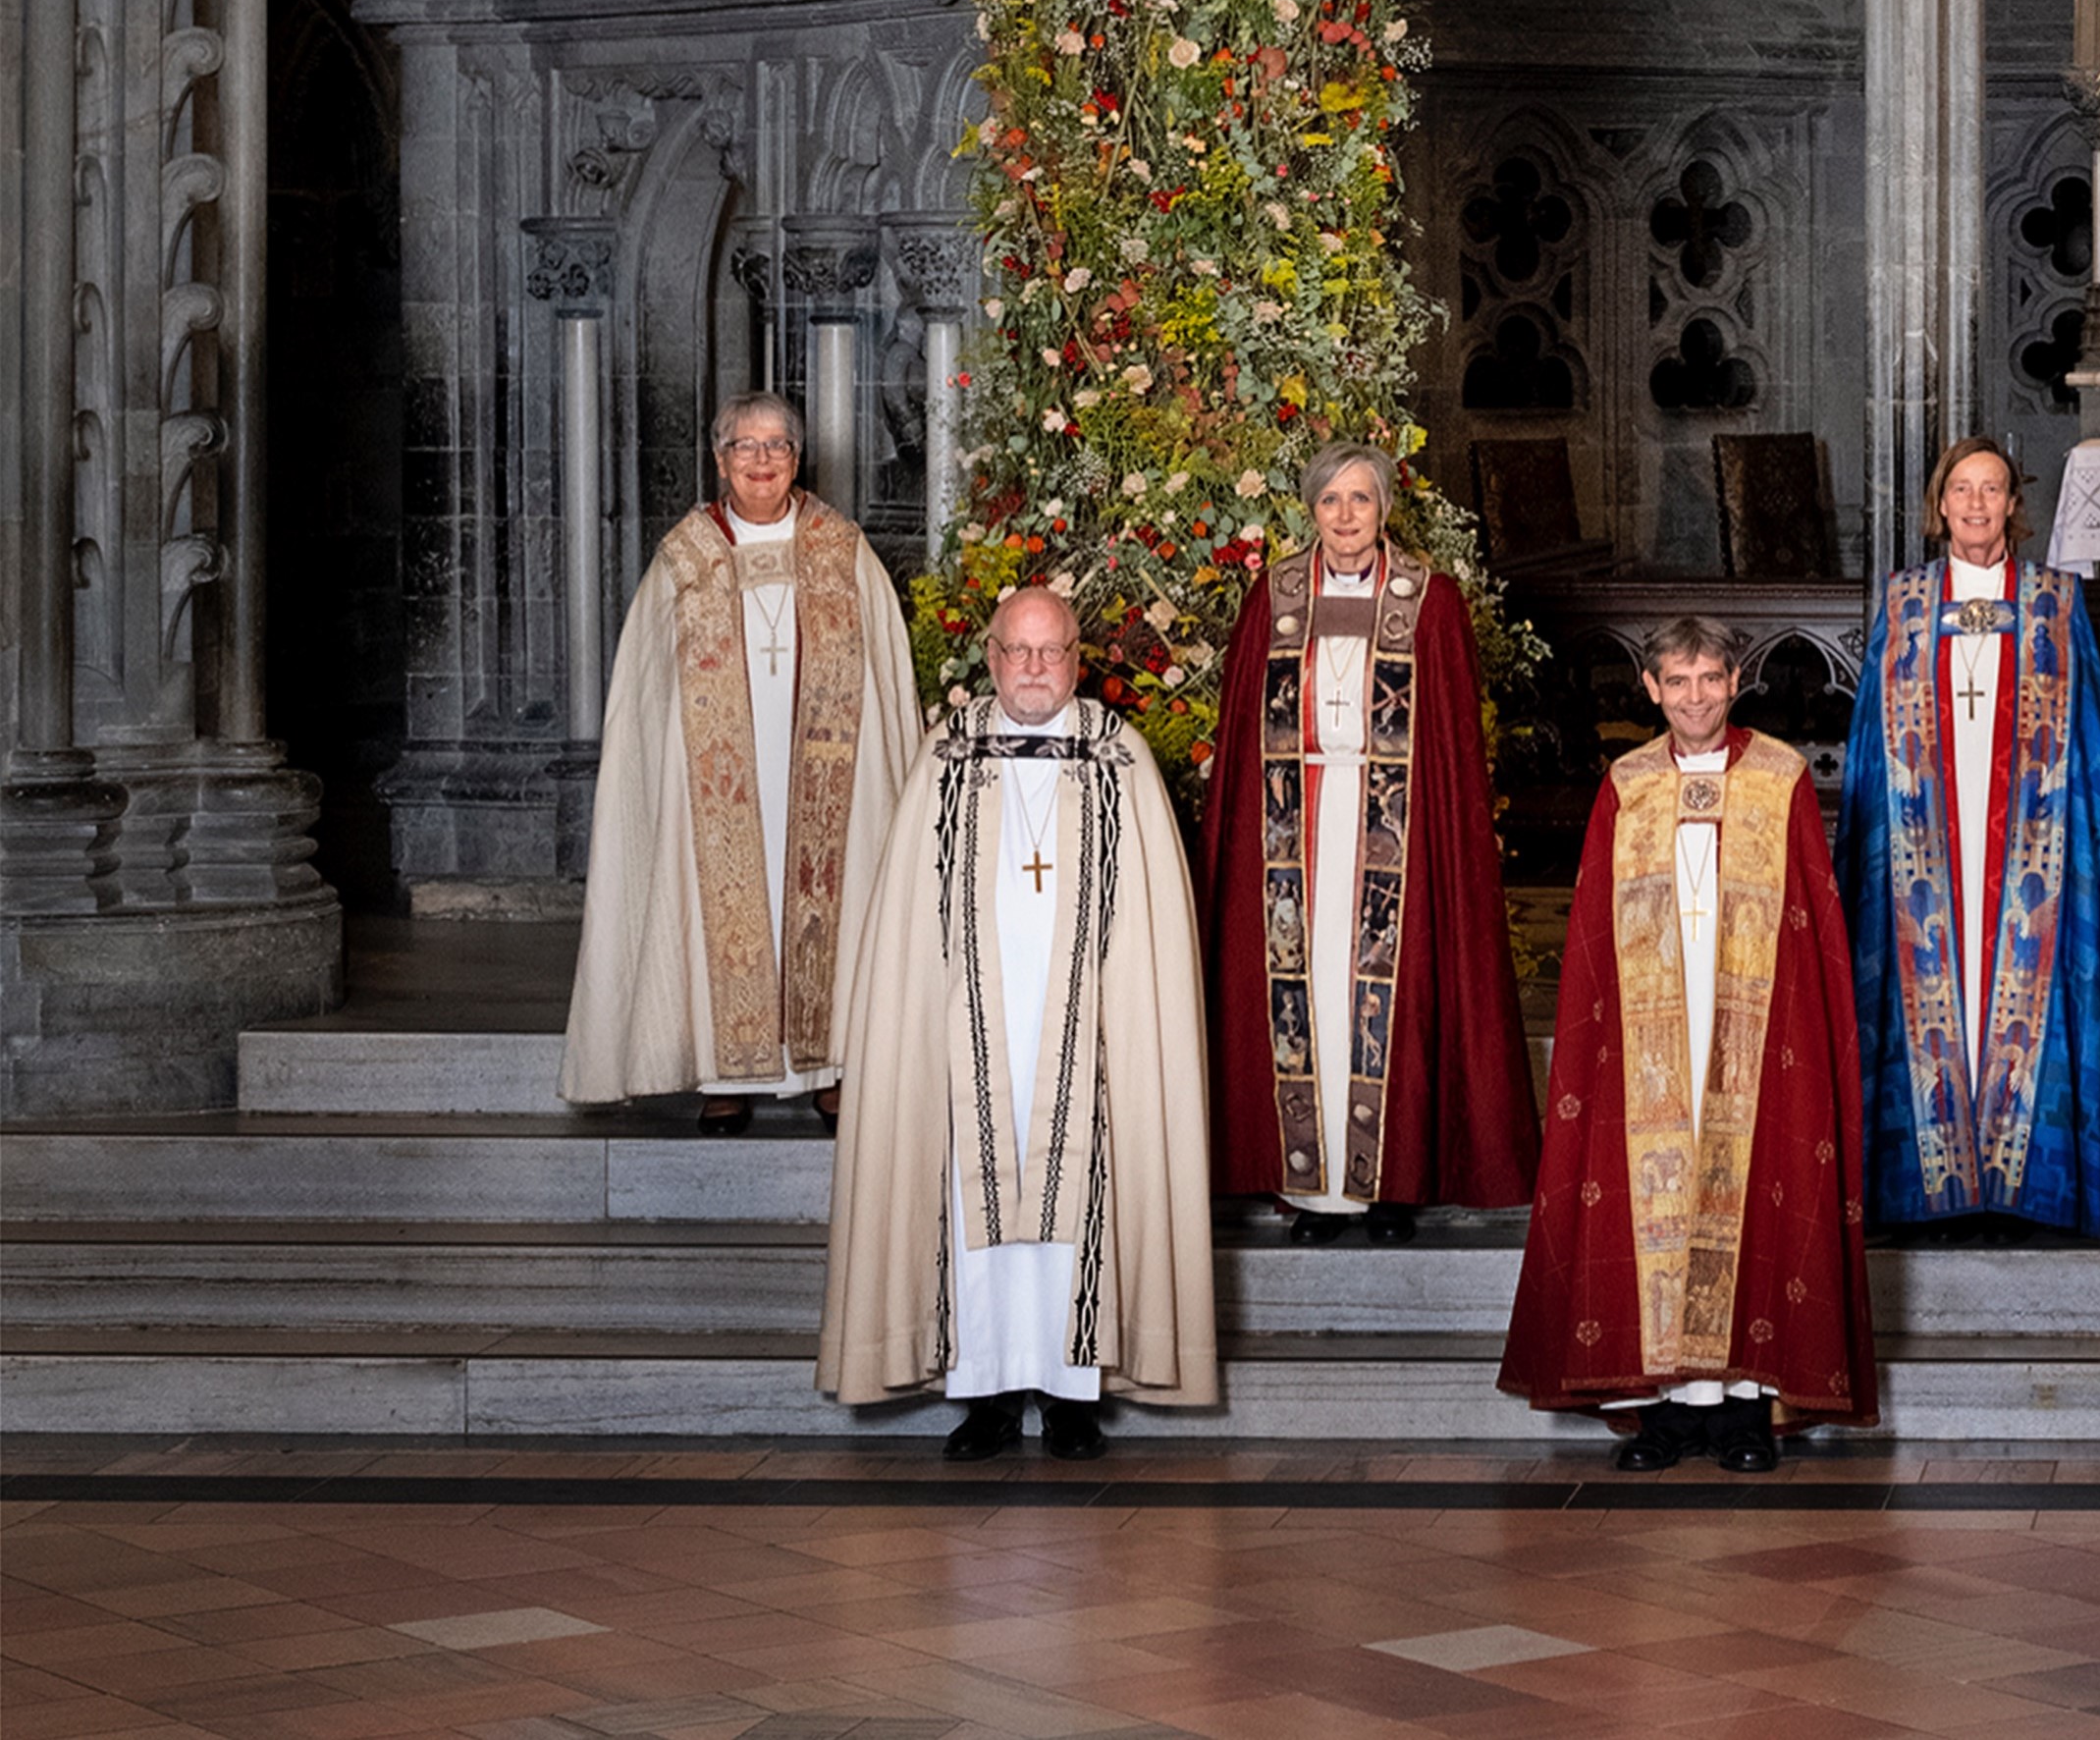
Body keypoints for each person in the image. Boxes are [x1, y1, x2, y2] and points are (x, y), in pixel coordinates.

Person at [820, 586, 1216, 1459]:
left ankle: (1075, 1396)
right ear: (990, 659)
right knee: (973, 1206)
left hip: (1090, 1030)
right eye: (1017, 651)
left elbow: (1152, 930)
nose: (1034, 669)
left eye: (1052, 652)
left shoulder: (1121, 759)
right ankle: (989, 1396)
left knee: (1084, 1204)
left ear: (1079, 659)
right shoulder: (946, 758)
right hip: (971, 1028)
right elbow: (903, 923)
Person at [1502, 618, 1879, 1469]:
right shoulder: (1627, 783)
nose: (1696, 696)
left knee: (1755, 1198)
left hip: (1755, 1022)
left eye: (1711, 678)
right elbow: (1595, 921)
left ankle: (1744, 1408)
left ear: (1736, 678)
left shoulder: (1779, 776)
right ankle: (1668, 1408)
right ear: (1651, 690)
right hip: (1651, 1026)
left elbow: (1815, 917)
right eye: (1678, 681)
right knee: (1655, 1204)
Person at [1197, 444, 1535, 1244]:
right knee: (1306, 997)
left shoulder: (1429, 600)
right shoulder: (1274, 597)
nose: (1345, 517)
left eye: (1360, 500)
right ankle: (1315, 1191)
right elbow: (1244, 735)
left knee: (1391, 1004)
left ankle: (1389, 1186)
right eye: (1330, 501)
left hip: (1399, 834)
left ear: (1384, 508)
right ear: (1309, 509)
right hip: (1294, 833)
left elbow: (1451, 749)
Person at [565, 392, 927, 1132]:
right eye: (745, 446)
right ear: (719, 457)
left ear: (798, 458)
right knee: (714, 908)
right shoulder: (685, 557)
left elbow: (888, 680)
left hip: (827, 777)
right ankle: (720, 1074)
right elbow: (644, 694)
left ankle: (833, 1067)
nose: (761, 461)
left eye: (777, 446)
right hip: (716, 786)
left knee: (839, 899)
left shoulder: (842, 548)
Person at [1842, 440, 2100, 1239]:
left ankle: (2032, 1189)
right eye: (1963, 489)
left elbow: (2089, 738)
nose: (1978, 504)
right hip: (1930, 842)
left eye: (1992, 489)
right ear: (1940, 505)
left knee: (2024, 997)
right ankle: (1931, 1192)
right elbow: (1869, 749)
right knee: (1934, 989)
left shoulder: (2057, 602)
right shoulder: (1907, 600)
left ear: (2013, 506)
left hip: (2036, 843)